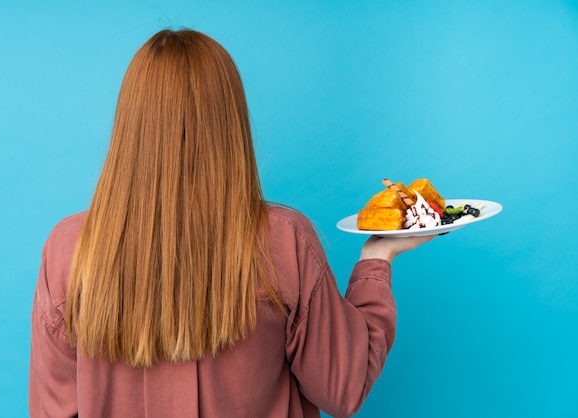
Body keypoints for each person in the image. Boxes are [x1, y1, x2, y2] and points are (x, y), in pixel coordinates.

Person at [28, 28, 435, 418]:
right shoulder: (285, 240)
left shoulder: (67, 249)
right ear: (230, 122)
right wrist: (376, 259)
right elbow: (343, 389)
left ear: (131, 124)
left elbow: (53, 411)